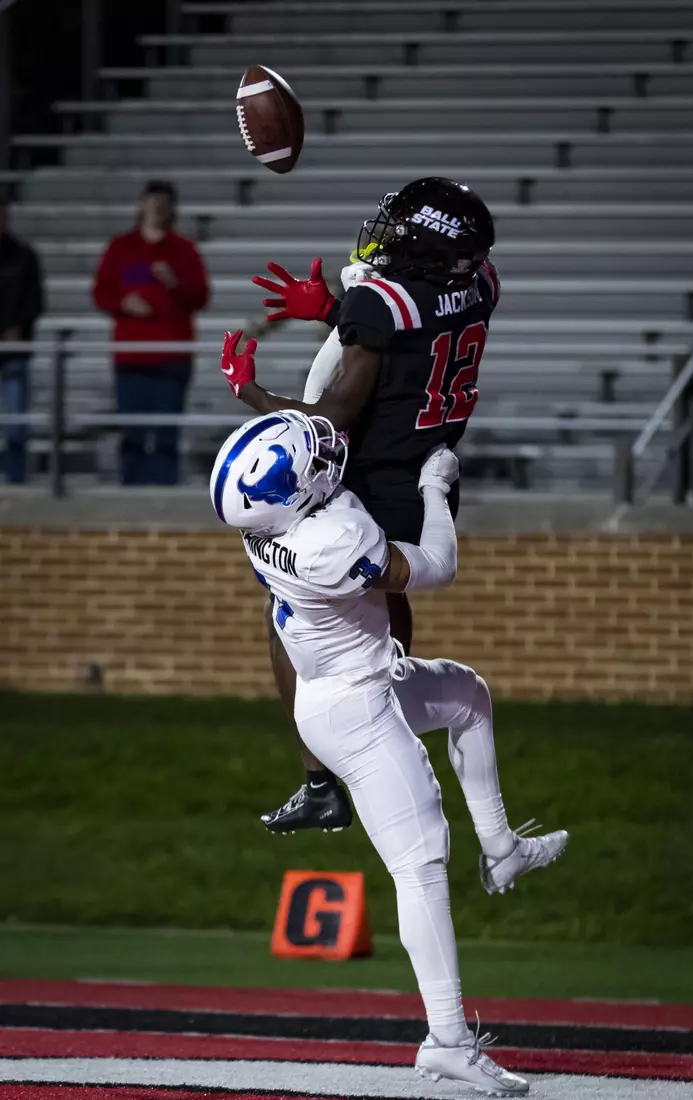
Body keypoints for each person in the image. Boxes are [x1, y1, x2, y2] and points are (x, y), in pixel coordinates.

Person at [210, 409, 568, 1096]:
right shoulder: (332, 539)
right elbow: (437, 567)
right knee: (421, 865)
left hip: (347, 683)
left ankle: (501, 848)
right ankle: (447, 1040)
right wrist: (434, 488)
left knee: (466, 694)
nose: (324, 456)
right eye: (308, 461)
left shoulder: (269, 525)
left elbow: (323, 458)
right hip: (354, 709)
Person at [222, 177, 500, 833]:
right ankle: (375, 732)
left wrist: (250, 393)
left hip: (371, 479)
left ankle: (324, 780)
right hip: (427, 472)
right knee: (386, 607)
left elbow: (332, 416)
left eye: (400, 232)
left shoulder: (381, 300)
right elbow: (411, 346)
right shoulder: (483, 283)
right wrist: (335, 312)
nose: (385, 238)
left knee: (287, 614)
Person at [92, 179, 209, 485]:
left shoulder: (184, 250)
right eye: (152, 202)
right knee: (131, 431)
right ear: (140, 205)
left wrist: (174, 283)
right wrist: (123, 303)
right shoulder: (120, 248)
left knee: (166, 433)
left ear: (172, 209)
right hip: (130, 356)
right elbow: (101, 292)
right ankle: (131, 490)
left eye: (163, 204)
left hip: (171, 357)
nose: (156, 209)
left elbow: (200, 296)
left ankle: (163, 494)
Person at [0, 195, 44, 483]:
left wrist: (18, 327)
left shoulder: (24, 255)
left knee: (16, 422)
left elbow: (35, 301)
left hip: (15, 351)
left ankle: (15, 478)